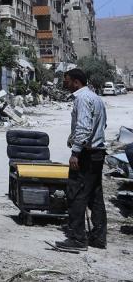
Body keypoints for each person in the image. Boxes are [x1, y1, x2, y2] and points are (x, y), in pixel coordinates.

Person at [55, 68, 107, 252]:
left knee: (76, 193)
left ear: (76, 82)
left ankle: (77, 239)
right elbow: (101, 125)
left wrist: (75, 152)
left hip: (86, 154)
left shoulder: (83, 99)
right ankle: (99, 238)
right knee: (95, 196)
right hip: (97, 153)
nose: (65, 84)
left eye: (67, 81)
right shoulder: (95, 98)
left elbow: (84, 128)